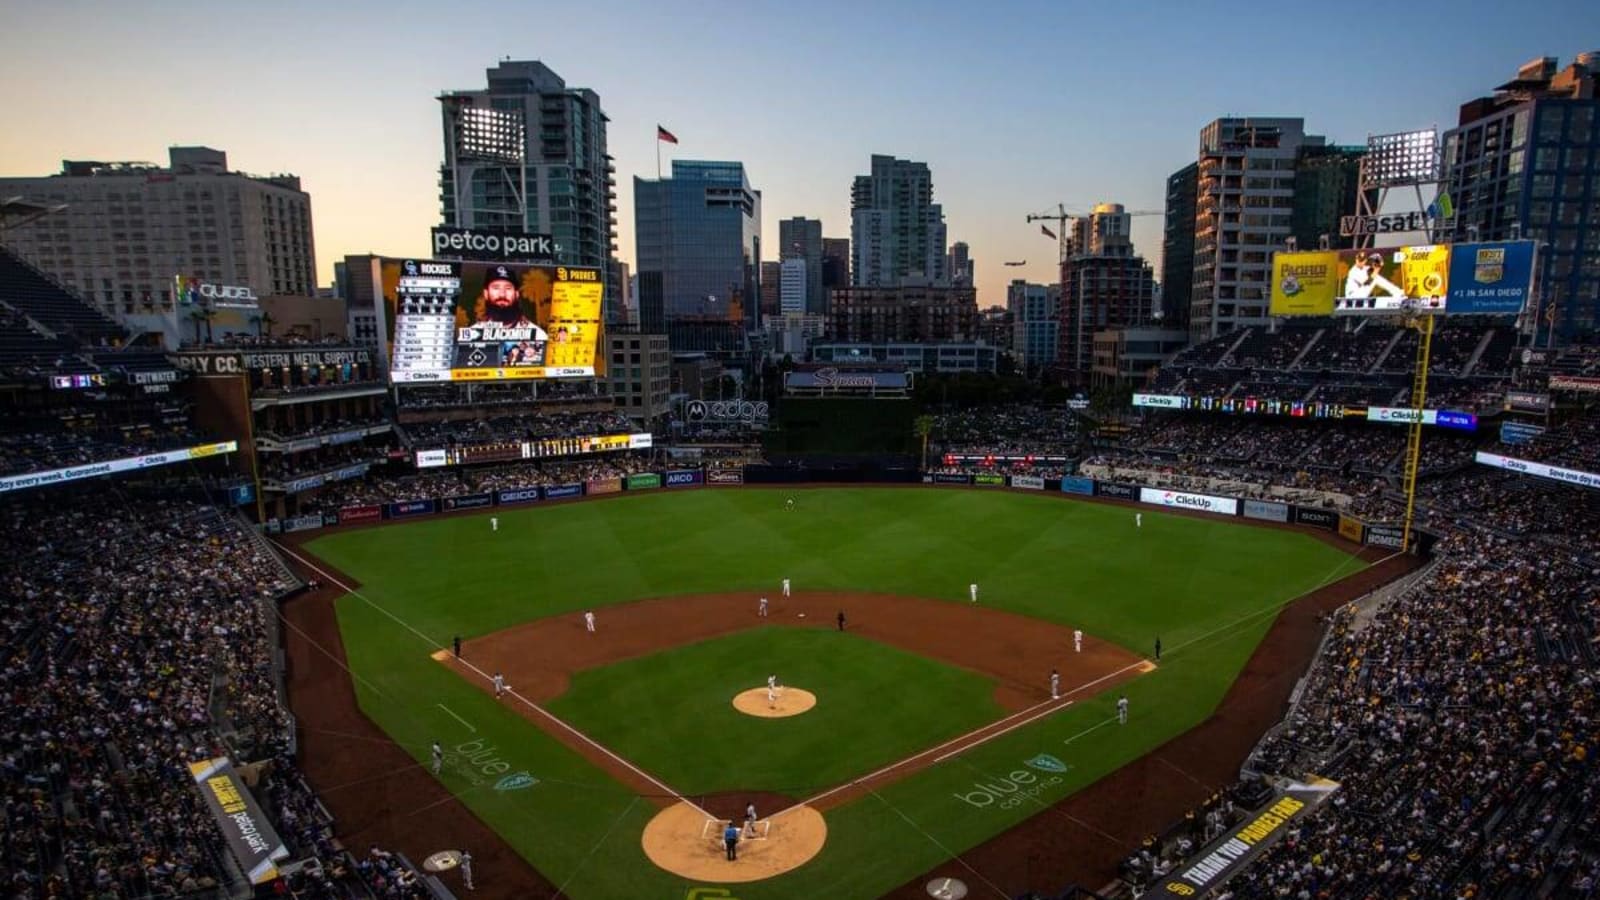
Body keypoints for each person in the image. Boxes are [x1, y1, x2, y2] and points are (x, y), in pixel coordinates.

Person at [471, 265, 536, 328]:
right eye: (496, 288)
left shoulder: (537, 335)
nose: (502, 294)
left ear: (516, 294)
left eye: (508, 288)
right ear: (486, 293)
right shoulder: (473, 335)